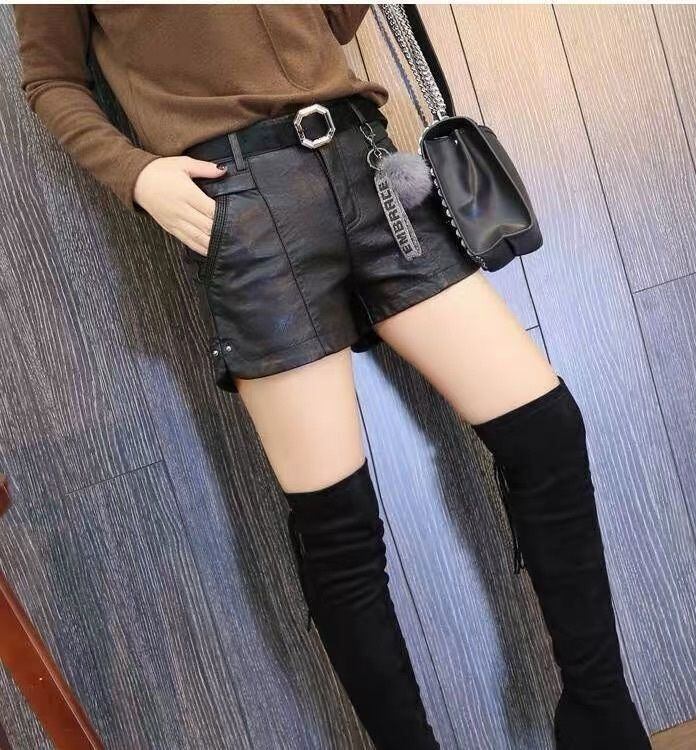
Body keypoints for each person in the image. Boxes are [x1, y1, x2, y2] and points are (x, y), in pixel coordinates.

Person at [12, 5, 652, 749]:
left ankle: (602, 719)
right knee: (338, 523)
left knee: (545, 431)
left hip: (367, 164)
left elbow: (330, 24)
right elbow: (50, 78)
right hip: (244, 206)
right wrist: (137, 174)